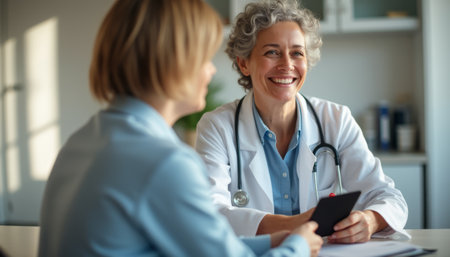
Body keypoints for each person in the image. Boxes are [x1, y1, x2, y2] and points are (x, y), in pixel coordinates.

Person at [38, 0, 323, 256]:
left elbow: (205, 246)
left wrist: (275, 241)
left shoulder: (80, 143)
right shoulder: (163, 163)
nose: (211, 71)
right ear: (171, 61)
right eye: (203, 58)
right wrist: (297, 247)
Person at [195, 0, 408, 243]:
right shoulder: (217, 127)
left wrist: (370, 220)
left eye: (297, 53)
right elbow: (208, 211)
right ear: (244, 63)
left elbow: (389, 197)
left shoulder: (335, 120)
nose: (287, 65)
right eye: (272, 52)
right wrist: (296, 226)